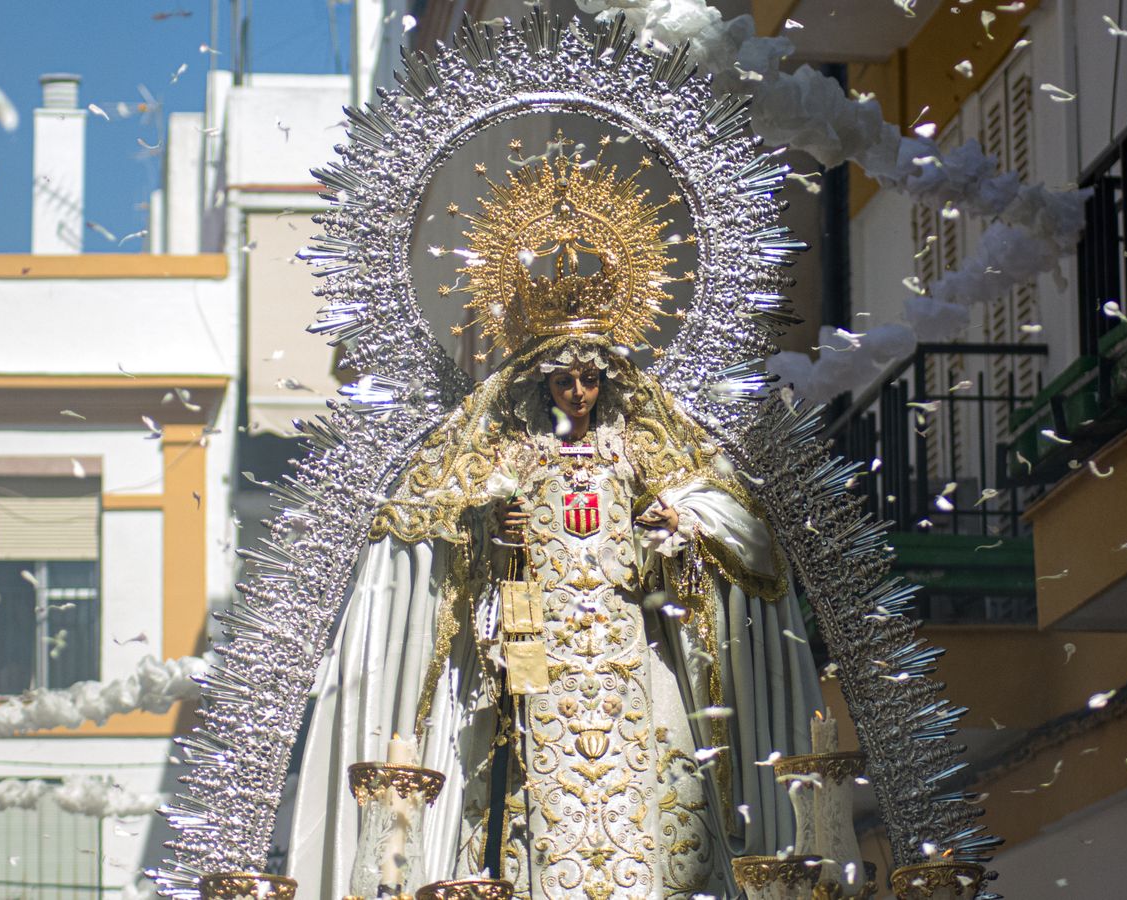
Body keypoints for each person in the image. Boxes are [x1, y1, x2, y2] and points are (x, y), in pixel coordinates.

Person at [287, 158, 821, 900]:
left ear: (608, 378)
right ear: (541, 380)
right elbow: (439, 542)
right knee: (538, 814)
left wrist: (677, 525)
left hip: (632, 659)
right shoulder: (505, 455)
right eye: (564, 378)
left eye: (591, 377)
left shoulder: (643, 448)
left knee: (668, 821)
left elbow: (735, 534)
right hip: (538, 664)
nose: (578, 390)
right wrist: (494, 539)